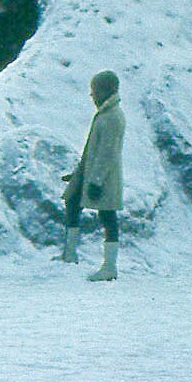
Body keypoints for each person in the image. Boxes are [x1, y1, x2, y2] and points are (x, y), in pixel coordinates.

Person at [60, 70, 125, 281]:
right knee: (72, 201)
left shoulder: (113, 117)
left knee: (107, 216)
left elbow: (107, 154)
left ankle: (109, 267)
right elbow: (92, 152)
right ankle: (70, 255)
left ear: (107, 91)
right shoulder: (105, 114)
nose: (92, 96)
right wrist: (78, 175)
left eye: (95, 91)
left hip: (103, 177)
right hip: (90, 174)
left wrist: (95, 181)